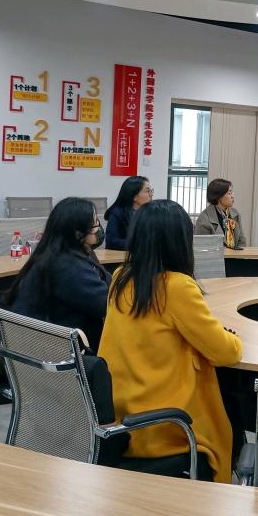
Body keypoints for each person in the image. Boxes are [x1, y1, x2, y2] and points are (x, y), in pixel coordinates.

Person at [100, 199, 242, 483]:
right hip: (165, 425)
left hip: (120, 416)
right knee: (235, 408)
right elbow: (226, 352)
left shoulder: (120, 277)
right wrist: (232, 338)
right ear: (180, 241)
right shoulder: (177, 287)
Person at [3, 197, 111, 348]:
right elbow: (106, 304)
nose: (98, 229)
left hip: (40, 345)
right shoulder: (67, 265)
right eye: (95, 224)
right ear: (78, 233)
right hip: (51, 352)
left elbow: (107, 281)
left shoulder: (58, 252)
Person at [194, 178, 246, 249]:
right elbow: (201, 246)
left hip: (235, 255)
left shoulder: (235, 213)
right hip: (214, 256)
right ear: (219, 196)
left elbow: (242, 240)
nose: (232, 196)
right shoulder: (204, 218)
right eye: (229, 193)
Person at [104, 176, 153, 250]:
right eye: (147, 191)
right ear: (134, 196)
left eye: (151, 191)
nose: (151, 194)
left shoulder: (150, 212)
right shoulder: (117, 212)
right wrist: (139, 244)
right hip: (122, 255)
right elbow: (111, 241)